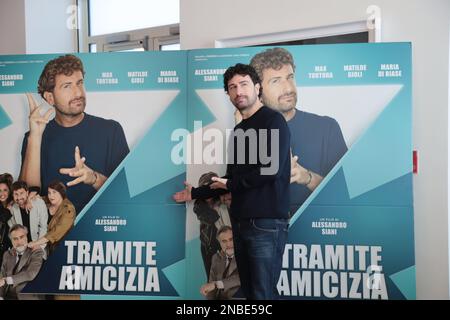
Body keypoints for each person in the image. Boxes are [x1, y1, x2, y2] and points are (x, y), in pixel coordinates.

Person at [174, 63, 290, 299]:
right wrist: (195, 193)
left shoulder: (273, 120)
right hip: (240, 221)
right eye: (232, 87)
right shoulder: (239, 131)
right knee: (248, 292)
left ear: (257, 87)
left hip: (265, 223)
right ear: (228, 94)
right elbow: (231, 178)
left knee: (262, 294)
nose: (239, 91)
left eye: (244, 84)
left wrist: (230, 185)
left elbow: (271, 170)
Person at [20, 54, 130, 213]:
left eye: (80, 83)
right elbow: (26, 199)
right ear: (50, 97)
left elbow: (123, 192)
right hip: (51, 233)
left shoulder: (110, 131)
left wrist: (93, 178)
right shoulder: (33, 138)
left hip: (98, 231)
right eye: (67, 86)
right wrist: (35, 138)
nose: (78, 92)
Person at [250, 47, 348, 213]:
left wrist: (306, 177)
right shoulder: (247, 134)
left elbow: (344, 194)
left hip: (314, 234)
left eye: (290, 77)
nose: (288, 88)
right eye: (276, 81)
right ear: (257, 90)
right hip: (265, 234)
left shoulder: (327, 127)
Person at [193, 172, 231, 277]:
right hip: (208, 246)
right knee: (211, 278)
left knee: (228, 277)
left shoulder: (222, 200)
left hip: (225, 244)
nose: (208, 191)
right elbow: (210, 217)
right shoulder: (199, 205)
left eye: (210, 187)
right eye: (204, 189)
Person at [28, 180, 75, 256]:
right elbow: (36, 198)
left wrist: (35, 243)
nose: (51, 196)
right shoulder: (47, 201)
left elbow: (55, 232)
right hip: (45, 246)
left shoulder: (68, 209)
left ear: (61, 193)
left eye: (54, 192)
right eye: (49, 192)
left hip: (61, 248)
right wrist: (29, 200)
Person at [0, 224, 44, 300]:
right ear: (11, 241)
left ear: (26, 237)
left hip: (27, 297)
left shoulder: (36, 251)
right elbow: (2, 277)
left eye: (21, 237)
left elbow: (30, 274)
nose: (19, 241)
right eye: (15, 239)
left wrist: (7, 280)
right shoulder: (7, 254)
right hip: (8, 296)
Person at [200, 226, 240, 300]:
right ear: (219, 243)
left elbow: (240, 278)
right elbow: (211, 286)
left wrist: (216, 284)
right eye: (224, 241)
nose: (228, 244)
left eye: (231, 239)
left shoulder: (245, 254)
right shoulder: (216, 258)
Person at [8, 181, 48, 247]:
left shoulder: (39, 203)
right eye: (16, 194)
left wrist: (38, 246)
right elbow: (14, 231)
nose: (19, 197)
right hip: (22, 248)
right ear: (13, 195)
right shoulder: (12, 208)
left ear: (27, 193)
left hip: (38, 245)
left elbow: (43, 228)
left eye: (21, 193)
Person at [0, 176, 13, 266]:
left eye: (5, 190)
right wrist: (8, 209)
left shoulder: (13, 204)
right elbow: (3, 218)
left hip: (8, 248)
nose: (2, 193)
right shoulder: (8, 208)